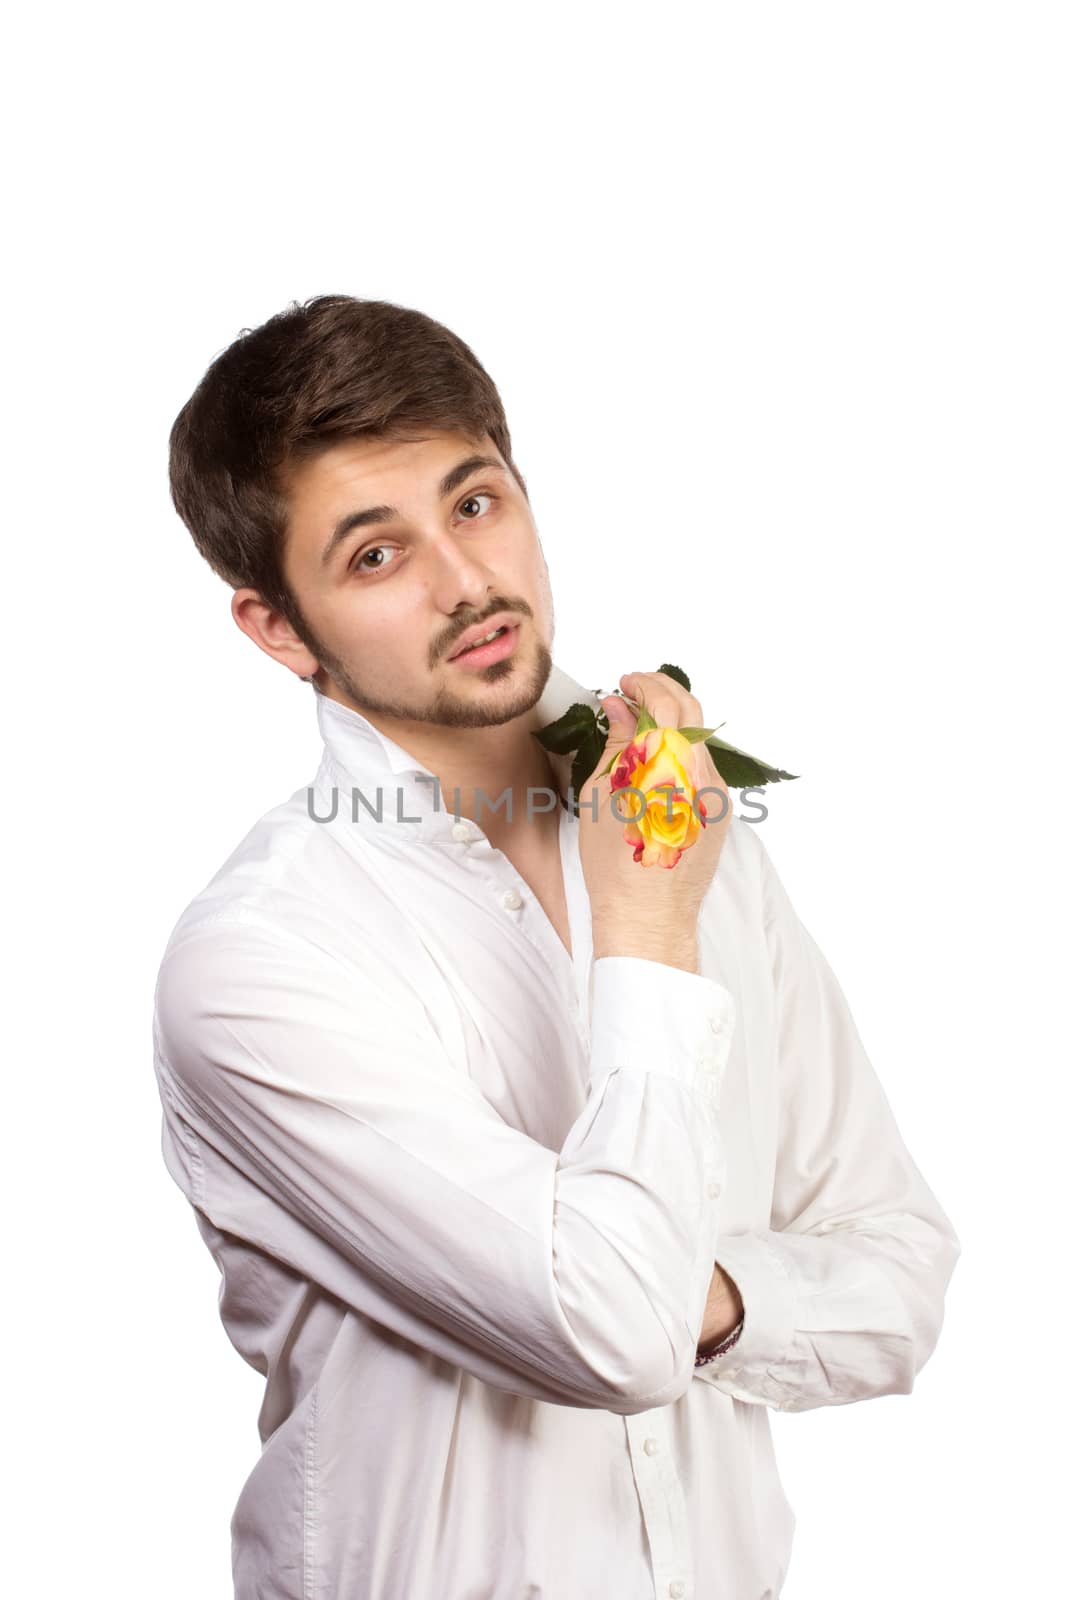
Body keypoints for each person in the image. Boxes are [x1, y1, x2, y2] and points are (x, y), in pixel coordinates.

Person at [153, 293, 961, 1600]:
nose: (468, 582)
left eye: (475, 504)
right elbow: (610, 1340)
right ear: (278, 628)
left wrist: (686, 1296)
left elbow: (902, 1274)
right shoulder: (257, 966)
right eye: (375, 555)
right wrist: (647, 931)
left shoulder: (676, 813)